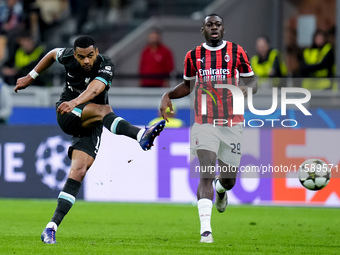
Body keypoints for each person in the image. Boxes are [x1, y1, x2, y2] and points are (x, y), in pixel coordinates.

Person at [14, 35, 165, 244]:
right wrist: (31, 76)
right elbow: (50, 55)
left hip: (90, 123)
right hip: (67, 113)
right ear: (74, 54)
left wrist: (76, 101)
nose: (86, 61)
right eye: (81, 57)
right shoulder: (67, 56)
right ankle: (140, 135)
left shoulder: (106, 64)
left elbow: (95, 88)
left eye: (90, 56)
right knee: (104, 110)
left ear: (97, 51)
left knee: (79, 171)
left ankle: (51, 227)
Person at [159, 14, 257, 243]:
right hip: (204, 120)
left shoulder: (237, 52)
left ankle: (221, 191)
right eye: (209, 25)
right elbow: (188, 85)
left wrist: (247, 89)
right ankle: (206, 231)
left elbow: (253, 81)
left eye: (218, 25)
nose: (214, 28)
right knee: (206, 171)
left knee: (229, 180)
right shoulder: (193, 56)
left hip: (232, 122)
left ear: (223, 29)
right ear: (202, 30)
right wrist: (167, 95)